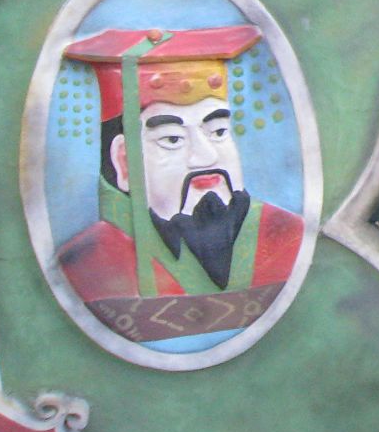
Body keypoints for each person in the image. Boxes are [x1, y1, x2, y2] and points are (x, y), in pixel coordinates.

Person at [56, 26, 305, 342]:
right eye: (172, 139)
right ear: (123, 161)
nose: (206, 157)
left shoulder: (287, 237)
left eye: (218, 132)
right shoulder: (89, 265)